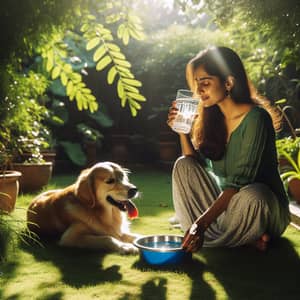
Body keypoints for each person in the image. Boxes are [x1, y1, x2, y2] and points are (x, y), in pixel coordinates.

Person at [167, 46, 290, 252]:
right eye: (196, 85)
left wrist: (200, 225)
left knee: (254, 194)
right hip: (227, 209)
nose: (199, 91)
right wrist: (182, 131)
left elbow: (237, 184)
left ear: (229, 82)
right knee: (183, 164)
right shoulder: (211, 119)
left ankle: (213, 236)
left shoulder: (257, 118)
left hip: (260, 208)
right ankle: (243, 238)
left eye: (205, 83)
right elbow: (195, 167)